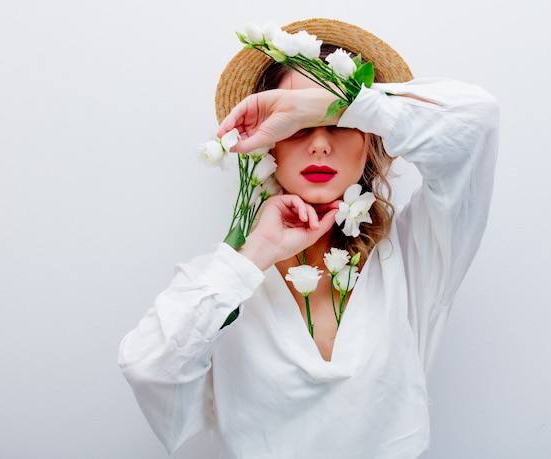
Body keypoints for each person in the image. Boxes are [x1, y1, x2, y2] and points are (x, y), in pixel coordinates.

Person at [118, 17, 499, 458]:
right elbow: (147, 367)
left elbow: (477, 117)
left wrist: (327, 104)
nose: (319, 143)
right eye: (296, 125)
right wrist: (255, 253)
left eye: (337, 122)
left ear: (371, 139)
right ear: (269, 144)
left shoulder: (416, 256)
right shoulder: (222, 283)